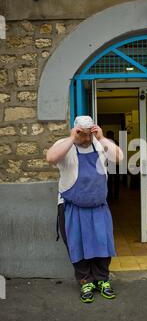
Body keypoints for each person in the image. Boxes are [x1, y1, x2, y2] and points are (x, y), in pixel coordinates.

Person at [46, 116, 123, 304]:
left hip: (98, 206)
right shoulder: (65, 144)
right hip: (72, 206)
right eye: (83, 134)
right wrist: (73, 138)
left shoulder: (99, 144)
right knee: (77, 244)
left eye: (89, 134)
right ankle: (85, 281)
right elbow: (50, 158)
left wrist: (102, 138)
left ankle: (102, 279)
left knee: (102, 242)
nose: (87, 138)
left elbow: (119, 158)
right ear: (76, 130)